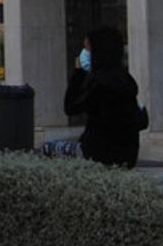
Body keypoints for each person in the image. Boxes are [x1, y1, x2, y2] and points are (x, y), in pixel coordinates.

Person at [62, 25, 145, 168]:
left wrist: (78, 73)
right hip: (128, 155)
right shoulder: (125, 79)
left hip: (100, 155)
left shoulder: (102, 84)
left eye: (87, 49)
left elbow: (70, 107)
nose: (83, 53)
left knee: (49, 149)